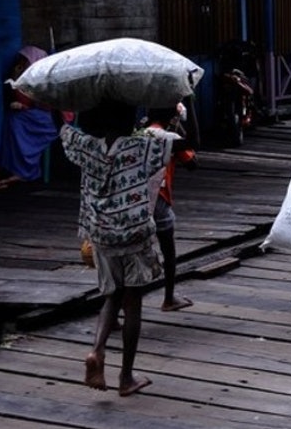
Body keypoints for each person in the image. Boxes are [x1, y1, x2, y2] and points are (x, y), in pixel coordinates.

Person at [62, 98, 175, 397]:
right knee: (132, 302)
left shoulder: (84, 146)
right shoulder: (142, 147)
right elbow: (178, 145)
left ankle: (97, 351)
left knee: (110, 295)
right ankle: (126, 376)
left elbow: (63, 130)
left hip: (101, 234)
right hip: (133, 233)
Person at [141, 104, 198, 312]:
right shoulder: (168, 139)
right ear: (172, 118)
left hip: (134, 200)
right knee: (168, 249)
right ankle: (169, 297)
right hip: (159, 199)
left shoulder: (137, 134)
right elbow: (193, 162)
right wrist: (180, 128)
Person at [0, 46, 62, 185]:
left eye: (26, 61)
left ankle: (25, 170)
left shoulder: (46, 79)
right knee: (12, 120)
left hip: (51, 119)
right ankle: (11, 167)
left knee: (17, 122)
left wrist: (27, 103)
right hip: (34, 114)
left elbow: (48, 105)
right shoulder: (23, 76)